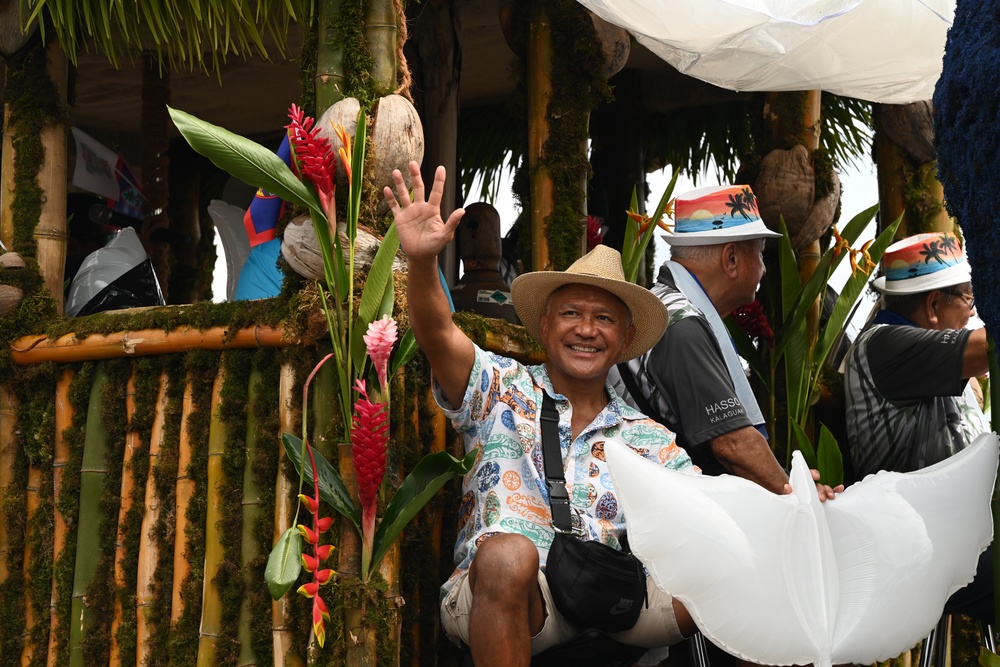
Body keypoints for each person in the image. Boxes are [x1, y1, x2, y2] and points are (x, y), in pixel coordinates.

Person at [384, 162, 700, 667]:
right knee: (508, 556)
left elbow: (716, 509)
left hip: (608, 601)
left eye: (603, 319)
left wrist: (794, 503)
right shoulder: (499, 388)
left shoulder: (649, 438)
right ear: (546, 324)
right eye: (572, 313)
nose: (586, 330)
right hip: (516, 597)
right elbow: (437, 333)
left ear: (624, 340)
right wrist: (422, 261)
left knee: (725, 574)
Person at [843, 230, 991, 623]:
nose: (972, 314)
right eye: (968, 299)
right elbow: (986, 346)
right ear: (933, 304)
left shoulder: (926, 352)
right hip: (924, 546)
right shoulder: (885, 344)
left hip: (958, 536)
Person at [613, 185, 798, 495]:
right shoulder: (682, 323)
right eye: (760, 253)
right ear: (731, 259)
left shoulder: (664, 305)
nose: (764, 269)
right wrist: (797, 495)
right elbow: (733, 444)